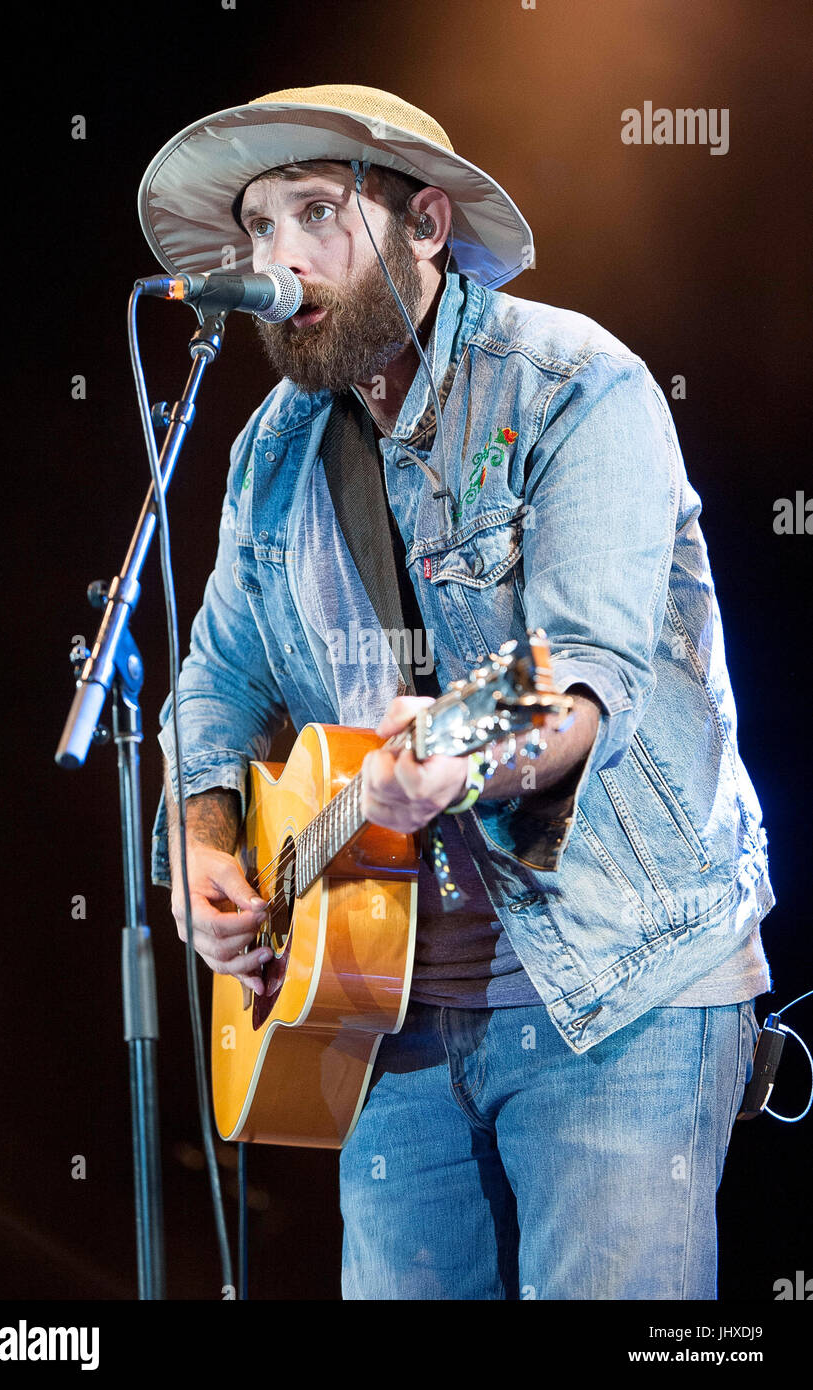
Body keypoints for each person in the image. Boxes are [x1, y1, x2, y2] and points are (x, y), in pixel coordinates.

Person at [141, 85, 774, 1299]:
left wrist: (460, 749)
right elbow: (212, 683)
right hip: (384, 1020)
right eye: (259, 227)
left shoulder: (576, 387)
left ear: (424, 224)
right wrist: (205, 835)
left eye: (316, 213)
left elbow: (587, 673)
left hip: (615, 992)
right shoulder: (268, 454)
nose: (278, 258)